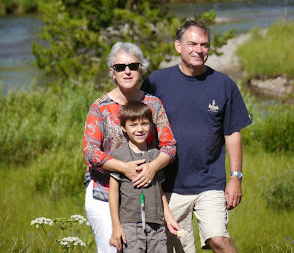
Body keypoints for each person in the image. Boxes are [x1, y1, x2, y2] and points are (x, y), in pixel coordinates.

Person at [141, 20, 253, 253]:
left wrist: (236, 177)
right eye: (192, 43)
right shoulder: (156, 82)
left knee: (218, 240)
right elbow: (138, 125)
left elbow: (232, 132)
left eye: (204, 45)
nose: (198, 50)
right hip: (169, 185)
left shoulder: (224, 85)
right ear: (177, 46)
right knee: (178, 249)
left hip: (209, 183)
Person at [83, 42, 177, 253]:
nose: (127, 71)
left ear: (141, 69)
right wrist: (123, 168)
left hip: (145, 193)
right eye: (120, 67)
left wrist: (152, 168)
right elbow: (90, 152)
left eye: (133, 66)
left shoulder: (153, 104)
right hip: (104, 192)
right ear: (112, 72)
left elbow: (169, 146)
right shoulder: (100, 107)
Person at [109, 101, 181, 252]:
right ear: (123, 127)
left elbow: (159, 191)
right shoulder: (119, 156)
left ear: (151, 126)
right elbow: (113, 193)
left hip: (156, 226)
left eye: (145, 124)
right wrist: (116, 226)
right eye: (133, 125)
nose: (140, 129)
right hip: (130, 226)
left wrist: (168, 218)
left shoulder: (155, 155)